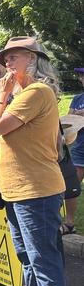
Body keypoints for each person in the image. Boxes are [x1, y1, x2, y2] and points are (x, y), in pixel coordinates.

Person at [0, 36, 71, 286]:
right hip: (17, 191)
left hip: (35, 191)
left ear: (33, 60)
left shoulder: (35, 93)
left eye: (15, 57)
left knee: (45, 264)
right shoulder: (22, 96)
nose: (7, 62)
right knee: (29, 262)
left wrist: (0, 95)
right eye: (6, 57)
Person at [64, 67, 84, 234]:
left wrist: (79, 115)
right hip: (79, 147)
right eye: (82, 76)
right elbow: (69, 121)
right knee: (72, 187)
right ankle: (69, 223)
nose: (82, 78)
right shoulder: (77, 98)